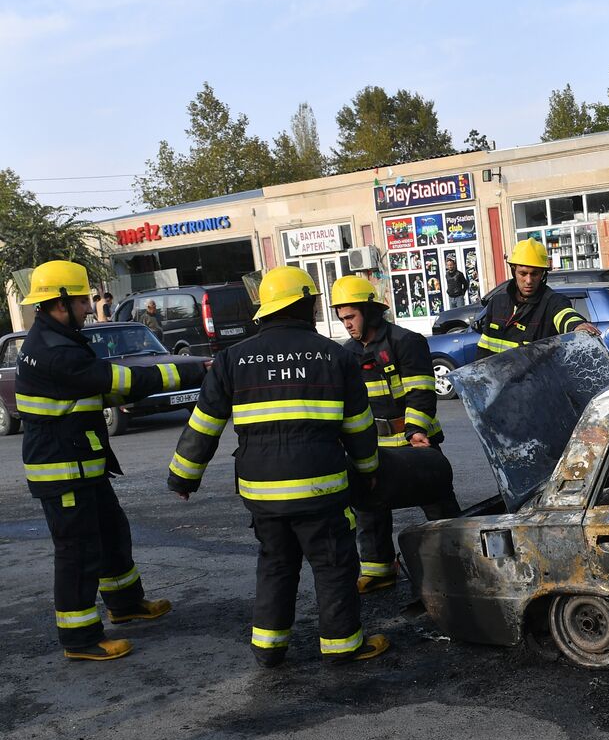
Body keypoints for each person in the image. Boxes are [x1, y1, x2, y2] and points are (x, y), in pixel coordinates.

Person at [167, 266, 389, 667]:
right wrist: (368, 468)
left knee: (275, 563)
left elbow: (204, 423)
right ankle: (342, 646)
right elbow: (358, 426)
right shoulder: (335, 356)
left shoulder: (232, 358)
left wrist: (183, 476)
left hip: (262, 492)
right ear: (304, 305)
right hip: (320, 489)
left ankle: (268, 648)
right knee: (333, 564)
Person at [18, 260, 205, 661]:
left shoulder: (55, 340)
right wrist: (194, 372)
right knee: (78, 551)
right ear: (60, 302)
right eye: (84, 299)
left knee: (111, 534)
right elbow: (121, 382)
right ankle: (80, 639)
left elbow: (98, 393)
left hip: (82, 463)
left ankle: (125, 604)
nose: (90, 307)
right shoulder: (55, 351)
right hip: (64, 471)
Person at [331, 275, 459, 593]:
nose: (346, 324)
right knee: (368, 509)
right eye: (342, 318)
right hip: (373, 444)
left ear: (370, 311)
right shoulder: (347, 353)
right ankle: (378, 570)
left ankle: (460, 562)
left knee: (437, 504)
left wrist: (415, 431)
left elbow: (421, 391)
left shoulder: (406, 341)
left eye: (351, 316)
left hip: (414, 441)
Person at [476, 239, 601, 358]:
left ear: (542, 274)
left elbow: (565, 314)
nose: (529, 281)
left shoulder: (553, 302)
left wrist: (576, 325)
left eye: (534, 274)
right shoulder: (497, 302)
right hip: (499, 379)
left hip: (535, 379)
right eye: (523, 273)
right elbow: (483, 350)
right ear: (514, 271)